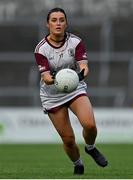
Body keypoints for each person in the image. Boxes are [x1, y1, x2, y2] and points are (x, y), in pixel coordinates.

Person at [34, 7, 108, 175]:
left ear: (66, 23)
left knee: (90, 125)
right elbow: (46, 77)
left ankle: (90, 147)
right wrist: (59, 78)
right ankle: (78, 163)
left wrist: (80, 75)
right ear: (48, 24)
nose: (58, 23)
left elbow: (84, 67)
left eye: (61, 20)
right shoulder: (41, 49)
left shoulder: (75, 42)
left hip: (74, 89)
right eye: (54, 20)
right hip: (52, 95)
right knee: (68, 140)